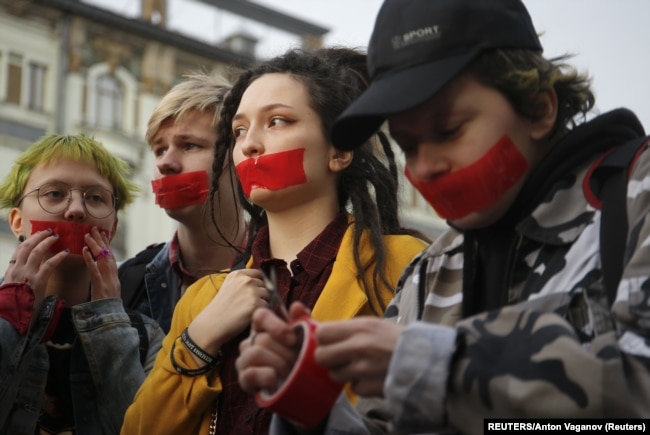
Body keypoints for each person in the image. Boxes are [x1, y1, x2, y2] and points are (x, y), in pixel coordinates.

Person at [235, 0, 650, 433]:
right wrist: (314, 411)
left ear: (540, 108)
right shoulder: (431, 272)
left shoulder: (635, 200)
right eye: (408, 146)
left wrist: (438, 364)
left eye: (449, 130)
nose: (424, 167)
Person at [121, 47, 428, 434]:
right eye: (239, 131)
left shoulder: (406, 266)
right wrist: (198, 341)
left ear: (339, 151)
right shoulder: (202, 299)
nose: (249, 144)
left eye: (278, 121)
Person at [0, 134, 164, 434]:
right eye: (54, 194)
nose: (76, 209)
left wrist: (110, 323)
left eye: (95, 197)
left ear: (112, 228)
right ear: (17, 222)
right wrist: (11, 317)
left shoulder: (147, 337)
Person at [118, 73, 246, 334]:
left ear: (237, 157)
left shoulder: (286, 274)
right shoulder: (126, 283)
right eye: (160, 149)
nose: (165, 163)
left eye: (189, 146)